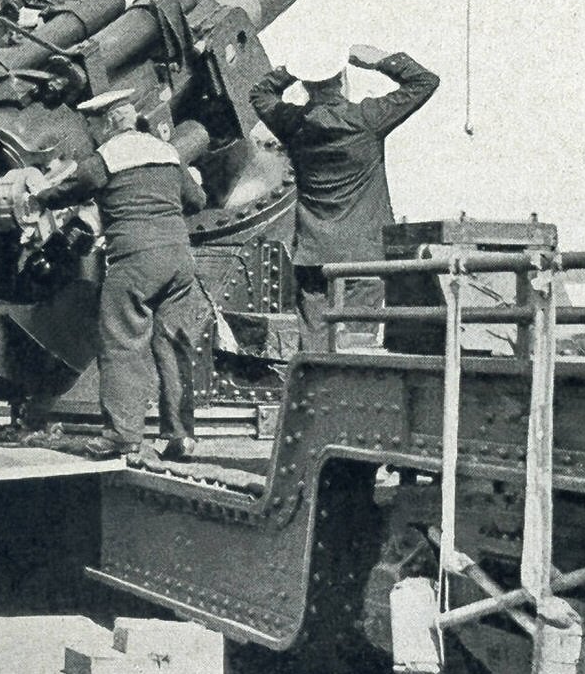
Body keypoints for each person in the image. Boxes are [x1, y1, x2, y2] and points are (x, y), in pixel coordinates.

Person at [31, 88, 207, 461]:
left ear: (108, 122)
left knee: (122, 344)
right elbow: (196, 201)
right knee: (173, 345)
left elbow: (67, 191)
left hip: (135, 261)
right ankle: (181, 436)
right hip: (179, 260)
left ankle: (122, 436)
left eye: (93, 125)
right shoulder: (167, 152)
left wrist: (37, 194)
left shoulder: (107, 156)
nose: (92, 133)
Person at [249, 44, 440, 349]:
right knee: (354, 348)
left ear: (306, 85)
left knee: (315, 348)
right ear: (342, 80)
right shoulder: (367, 118)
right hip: (363, 256)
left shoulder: (292, 123)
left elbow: (259, 93)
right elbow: (425, 81)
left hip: (313, 254)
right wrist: (381, 60)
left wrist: (292, 68)